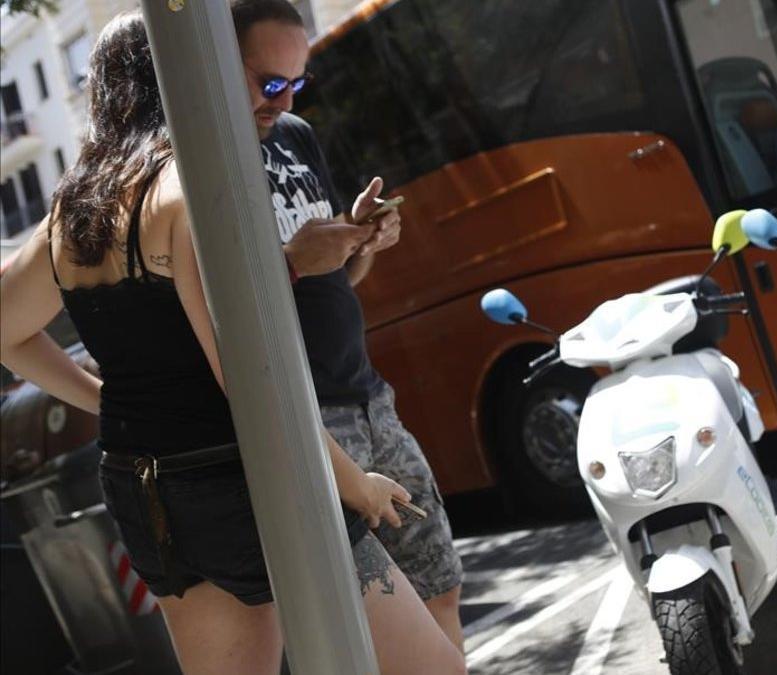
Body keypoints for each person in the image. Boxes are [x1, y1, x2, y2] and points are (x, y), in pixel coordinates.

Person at [0, 12, 464, 675]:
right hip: (243, 478)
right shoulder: (189, 193)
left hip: (145, 488)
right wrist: (353, 481)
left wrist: (101, 400)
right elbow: (249, 376)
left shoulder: (73, 214)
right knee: (433, 669)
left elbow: (7, 333)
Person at [230, 0, 466, 650]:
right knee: (359, 627)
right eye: (268, 82)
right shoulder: (198, 162)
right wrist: (294, 264)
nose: (281, 100)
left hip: (369, 397)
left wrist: (359, 243)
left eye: (295, 83)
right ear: (222, 63)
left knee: (439, 582)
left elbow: (333, 280)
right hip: (309, 421)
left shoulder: (296, 136)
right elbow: (215, 311)